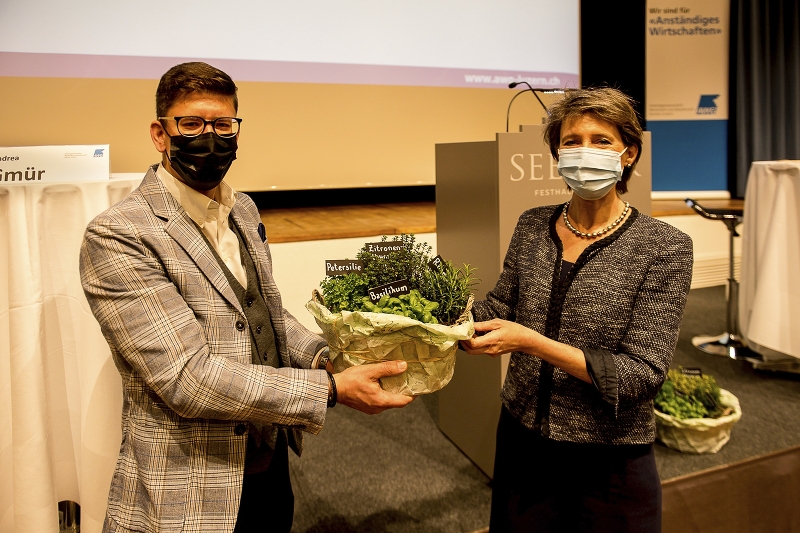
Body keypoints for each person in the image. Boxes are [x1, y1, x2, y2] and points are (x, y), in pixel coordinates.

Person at [79, 62, 413, 533]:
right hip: (192, 486)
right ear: (160, 133)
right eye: (191, 124)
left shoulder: (244, 207)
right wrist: (333, 390)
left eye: (222, 124)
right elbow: (187, 379)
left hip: (268, 462)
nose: (209, 137)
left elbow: (266, 315)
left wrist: (324, 357)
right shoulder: (119, 235)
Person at [460, 87, 693, 532]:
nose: (584, 151)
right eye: (572, 141)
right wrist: (432, 314)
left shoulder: (664, 247)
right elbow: (499, 306)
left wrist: (531, 343)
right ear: (556, 153)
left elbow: (640, 375)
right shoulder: (532, 223)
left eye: (601, 140)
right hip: (522, 442)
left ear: (629, 154)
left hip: (608, 460)